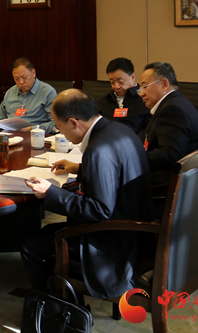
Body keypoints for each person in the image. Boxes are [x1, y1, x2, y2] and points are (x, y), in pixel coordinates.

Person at [21, 89, 153, 301]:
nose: (60, 132)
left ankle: (57, 308)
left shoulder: (97, 150)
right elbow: (118, 174)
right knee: (47, 232)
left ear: (74, 122)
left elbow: (98, 210)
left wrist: (50, 193)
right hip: (135, 229)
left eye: (59, 126)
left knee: (33, 245)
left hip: (111, 241)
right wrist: (79, 168)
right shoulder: (121, 130)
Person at [139, 62, 198, 175]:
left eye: (145, 87)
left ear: (164, 84)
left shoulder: (172, 109)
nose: (141, 93)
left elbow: (170, 155)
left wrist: (134, 159)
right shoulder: (176, 102)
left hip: (175, 178)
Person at [0, 57, 57, 133]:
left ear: (33, 73)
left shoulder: (48, 92)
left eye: (24, 77)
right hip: (10, 134)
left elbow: (55, 124)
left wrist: (31, 129)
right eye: (16, 79)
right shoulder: (10, 92)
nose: (21, 82)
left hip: (35, 135)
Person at [96, 57, 151, 136]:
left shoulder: (145, 99)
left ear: (133, 77)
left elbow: (148, 131)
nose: (116, 86)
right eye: (112, 82)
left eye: (120, 82)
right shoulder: (104, 102)